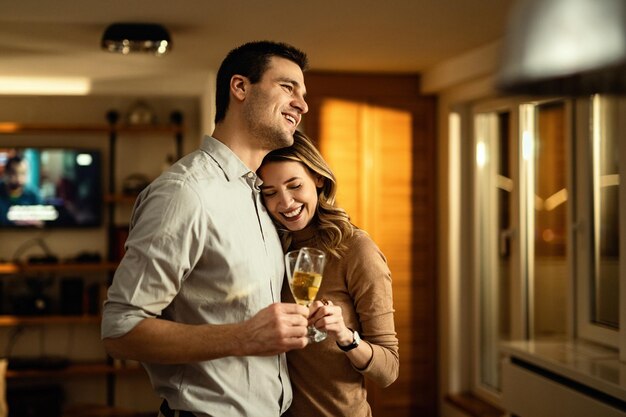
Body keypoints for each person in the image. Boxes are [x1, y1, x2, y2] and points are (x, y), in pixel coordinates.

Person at [101, 41, 311, 417]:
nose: (302, 103)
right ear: (240, 87)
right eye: (287, 87)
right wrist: (245, 336)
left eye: (303, 93)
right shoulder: (185, 193)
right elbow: (120, 330)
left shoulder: (259, 196)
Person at [257, 131, 399, 417]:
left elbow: (389, 370)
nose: (285, 203)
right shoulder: (269, 246)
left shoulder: (357, 250)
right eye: (270, 193)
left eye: (294, 186)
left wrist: (345, 336)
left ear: (318, 179)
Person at [0, 155, 43, 226]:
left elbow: (42, 223)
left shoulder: (34, 195)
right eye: (14, 173)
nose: (19, 178)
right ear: (6, 173)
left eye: (23, 173)